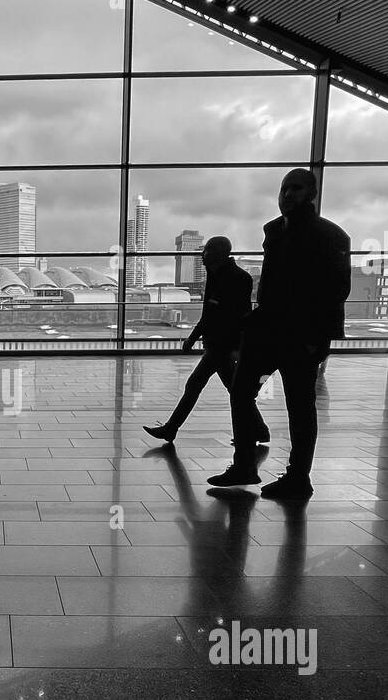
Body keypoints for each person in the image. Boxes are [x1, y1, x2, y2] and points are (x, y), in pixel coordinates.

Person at [208, 168, 350, 501]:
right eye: (284, 189)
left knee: (299, 406)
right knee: (243, 392)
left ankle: (296, 476)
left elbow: (335, 290)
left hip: (301, 335)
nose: (287, 194)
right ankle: (250, 465)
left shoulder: (330, 236)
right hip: (269, 330)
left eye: (296, 189)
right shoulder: (274, 231)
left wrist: (317, 337)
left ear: (311, 194)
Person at [143, 236, 270, 446]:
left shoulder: (233, 278)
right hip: (220, 345)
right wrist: (195, 337)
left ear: (218, 254)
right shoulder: (222, 276)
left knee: (199, 386)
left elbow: (229, 315)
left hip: (222, 346)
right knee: (232, 390)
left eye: (207, 251)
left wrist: (198, 339)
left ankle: (171, 429)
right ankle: (259, 430)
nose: (202, 255)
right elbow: (213, 312)